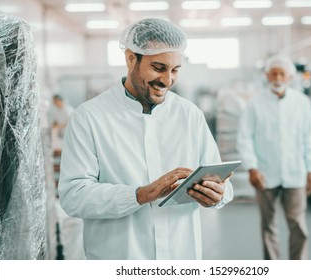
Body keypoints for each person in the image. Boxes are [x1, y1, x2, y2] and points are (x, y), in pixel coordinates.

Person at [58, 18, 233, 260]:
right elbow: (73, 196)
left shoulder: (189, 114)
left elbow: (222, 182)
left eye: (175, 70)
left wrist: (218, 193)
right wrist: (140, 194)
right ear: (131, 58)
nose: (168, 80)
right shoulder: (89, 117)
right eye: (159, 68)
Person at [236, 54, 311, 260]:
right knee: (268, 225)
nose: (278, 78)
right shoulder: (255, 104)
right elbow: (244, 138)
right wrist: (252, 168)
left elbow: (310, 137)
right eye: (273, 73)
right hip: (265, 173)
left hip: (295, 172)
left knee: (298, 223)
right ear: (266, 75)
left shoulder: (301, 103)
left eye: (282, 73)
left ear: (290, 77)